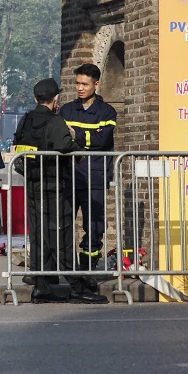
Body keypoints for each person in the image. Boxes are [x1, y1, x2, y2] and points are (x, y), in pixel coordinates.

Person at [13, 78, 105, 304]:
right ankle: (76, 287)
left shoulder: (25, 120)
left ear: (36, 99)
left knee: (39, 237)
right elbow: (65, 146)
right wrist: (77, 145)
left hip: (34, 188)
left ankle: (41, 287)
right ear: (56, 99)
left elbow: (19, 150)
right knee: (61, 236)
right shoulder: (56, 122)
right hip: (54, 189)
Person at [58, 63, 117, 282]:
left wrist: (77, 135)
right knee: (63, 222)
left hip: (95, 177)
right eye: (77, 83)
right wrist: (86, 136)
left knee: (94, 226)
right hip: (69, 177)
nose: (80, 88)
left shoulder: (107, 112)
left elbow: (103, 141)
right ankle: (66, 268)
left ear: (96, 84)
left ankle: (88, 268)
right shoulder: (66, 110)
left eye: (85, 84)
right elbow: (62, 138)